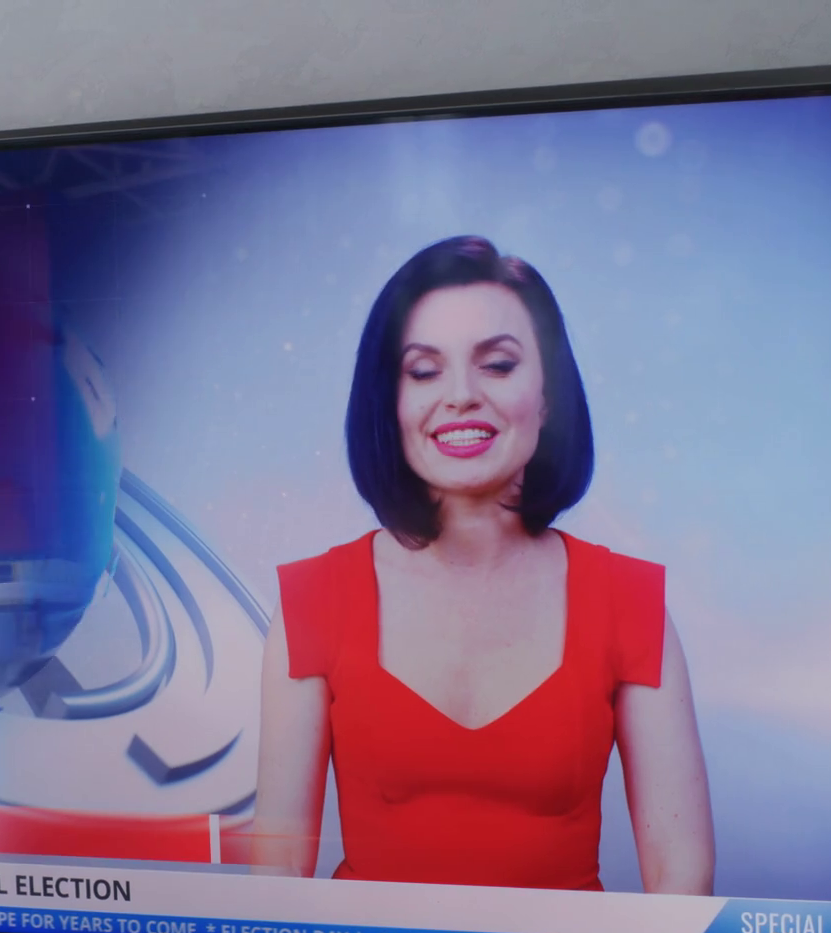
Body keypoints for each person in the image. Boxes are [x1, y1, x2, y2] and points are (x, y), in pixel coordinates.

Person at [252, 236, 714, 893]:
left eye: (497, 365)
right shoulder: (312, 599)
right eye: (424, 371)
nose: (461, 396)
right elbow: (275, 879)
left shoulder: (631, 602)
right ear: (390, 401)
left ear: (548, 395)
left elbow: (681, 877)